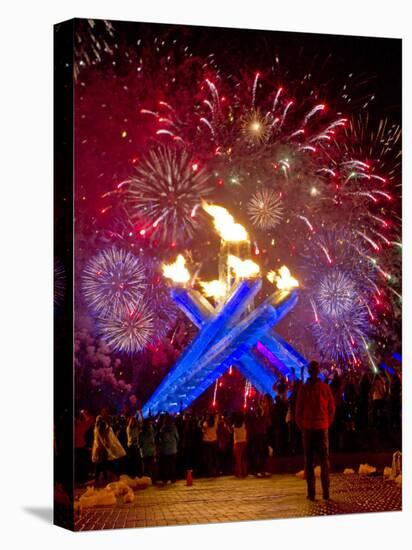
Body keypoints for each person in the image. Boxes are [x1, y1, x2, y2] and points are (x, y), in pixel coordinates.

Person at [296, 361, 335, 501]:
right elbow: (332, 407)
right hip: (321, 428)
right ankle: (326, 492)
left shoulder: (304, 389)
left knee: (309, 461)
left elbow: (298, 410)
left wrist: (302, 424)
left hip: (308, 429)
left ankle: (311, 493)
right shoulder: (325, 388)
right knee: (324, 460)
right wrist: (327, 422)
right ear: (318, 371)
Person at [91, 413, 126, 486]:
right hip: (102, 450)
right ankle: (103, 479)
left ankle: (102, 479)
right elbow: (103, 438)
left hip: (101, 450)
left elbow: (104, 437)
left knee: (102, 465)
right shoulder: (99, 430)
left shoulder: (98, 429)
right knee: (104, 465)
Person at [158, 414, 179, 483]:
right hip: (173, 448)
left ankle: (165, 479)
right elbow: (177, 437)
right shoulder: (174, 427)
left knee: (165, 465)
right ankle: (173, 478)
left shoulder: (162, 428)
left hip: (165, 449)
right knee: (172, 465)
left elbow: (160, 438)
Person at [201, 412, 219, 477]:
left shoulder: (205, 423)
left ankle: (209, 472)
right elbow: (217, 419)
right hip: (214, 440)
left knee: (209, 457)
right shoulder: (215, 423)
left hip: (207, 441)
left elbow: (202, 430)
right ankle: (215, 471)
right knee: (214, 457)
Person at [232, 413, 248, 478]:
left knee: (238, 459)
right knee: (243, 458)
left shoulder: (234, 426)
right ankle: (244, 472)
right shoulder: (244, 424)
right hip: (244, 442)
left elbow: (230, 430)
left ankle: (239, 472)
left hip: (237, 443)